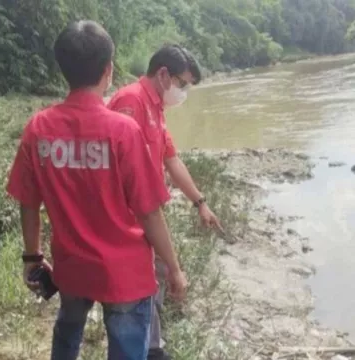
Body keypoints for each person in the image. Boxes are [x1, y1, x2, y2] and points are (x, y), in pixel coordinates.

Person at [6, 21, 187, 360]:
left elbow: (28, 202)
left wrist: (32, 257)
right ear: (108, 70)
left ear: (64, 71)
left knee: (67, 334)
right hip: (126, 275)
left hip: (72, 267)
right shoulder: (123, 130)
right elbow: (149, 211)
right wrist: (174, 268)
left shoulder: (39, 128)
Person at [108, 44, 221, 360]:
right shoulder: (131, 101)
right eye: (182, 83)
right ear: (163, 74)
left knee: (153, 279)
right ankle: (147, 348)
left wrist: (200, 201)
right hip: (131, 218)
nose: (183, 92)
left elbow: (172, 160)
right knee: (141, 286)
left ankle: (152, 346)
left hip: (148, 213)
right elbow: (121, 173)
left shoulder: (156, 106)